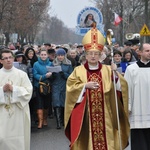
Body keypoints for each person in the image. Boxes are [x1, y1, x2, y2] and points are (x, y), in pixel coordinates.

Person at [65, 27, 129, 150]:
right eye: (90, 53)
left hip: (106, 114)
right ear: (86, 55)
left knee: (108, 141)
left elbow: (121, 89)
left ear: (100, 55)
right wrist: (84, 86)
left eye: (96, 54)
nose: (93, 56)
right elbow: (70, 89)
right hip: (87, 116)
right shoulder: (78, 71)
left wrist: (116, 75)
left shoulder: (108, 69)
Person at [0, 49, 33, 150]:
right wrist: (2, 90)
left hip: (19, 112)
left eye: (10, 57)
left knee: (19, 140)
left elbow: (29, 91)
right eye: (5, 58)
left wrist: (14, 89)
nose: (8, 60)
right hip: (2, 113)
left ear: (13, 59)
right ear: (1, 61)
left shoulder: (21, 74)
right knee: (3, 139)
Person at [124, 43, 150, 150]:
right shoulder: (131, 69)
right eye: (147, 51)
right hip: (137, 110)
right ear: (139, 52)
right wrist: (128, 106)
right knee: (139, 143)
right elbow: (126, 88)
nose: (149, 53)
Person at [51, 48, 73, 129]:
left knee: (64, 103)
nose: (60, 57)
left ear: (64, 56)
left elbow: (71, 76)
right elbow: (50, 76)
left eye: (62, 55)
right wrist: (52, 74)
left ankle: (64, 120)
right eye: (59, 55)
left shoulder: (68, 64)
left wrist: (63, 74)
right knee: (56, 103)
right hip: (55, 85)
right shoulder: (53, 63)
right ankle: (58, 123)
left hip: (64, 85)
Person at [33, 49, 53, 129]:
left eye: (45, 55)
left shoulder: (51, 64)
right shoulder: (36, 64)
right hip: (39, 86)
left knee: (46, 104)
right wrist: (45, 76)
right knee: (39, 104)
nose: (43, 56)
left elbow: (53, 74)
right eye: (42, 55)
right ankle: (40, 122)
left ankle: (45, 119)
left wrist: (51, 75)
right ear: (39, 55)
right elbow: (35, 75)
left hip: (47, 86)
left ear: (47, 55)